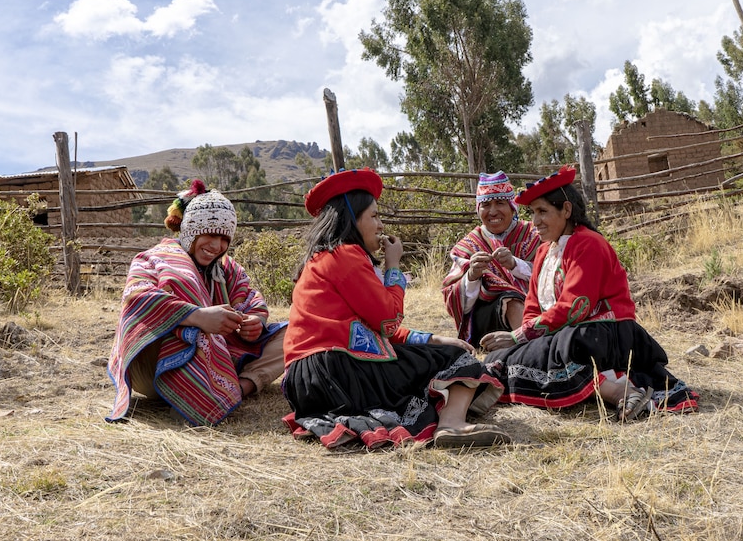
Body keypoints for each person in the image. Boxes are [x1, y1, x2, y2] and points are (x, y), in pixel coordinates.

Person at [282, 168, 510, 449]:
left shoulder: (324, 259)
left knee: (435, 355)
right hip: (338, 370)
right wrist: (393, 267)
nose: (380, 226)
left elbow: (373, 331)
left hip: (310, 380)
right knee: (458, 360)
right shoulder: (346, 255)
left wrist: (433, 339)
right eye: (374, 216)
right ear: (352, 219)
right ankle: (452, 423)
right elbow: (387, 321)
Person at [481, 166, 698, 421]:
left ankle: (620, 392)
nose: (535, 221)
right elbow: (533, 305)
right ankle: (609, 387)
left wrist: (519, 335)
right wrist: (524, 339)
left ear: (566, 210)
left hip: (603, 333)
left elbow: (575, 307)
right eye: (532, 213)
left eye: (542, 211)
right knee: (499, 358)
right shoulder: (543, 252)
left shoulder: (589, 244)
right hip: (564, 333)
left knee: (564, 346)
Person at [106, 180, 287, 426]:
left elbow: (250, 299)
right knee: (197, 331)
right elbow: (137, 297)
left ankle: (239, 388)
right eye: (210, 235)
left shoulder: (227, 270)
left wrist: (255, 321)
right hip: (154, 365)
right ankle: (196, 391)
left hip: (217, 360)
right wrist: (198, 316)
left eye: (224, 238)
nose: (217, 246)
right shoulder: (152, 259)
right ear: (191, 230)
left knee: (292, 336)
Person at [442, 171, 542, 347]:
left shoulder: (535, 235)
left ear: (512, 207)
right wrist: (472, 276)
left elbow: (551, 275)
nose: (493, 212)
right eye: (486, 205)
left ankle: (529, 344)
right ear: (478, 209)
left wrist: (515, 264)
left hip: (538, 313)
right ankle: (531, 347)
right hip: (490, 320)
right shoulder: (468, 247)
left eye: (500, 203)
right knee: (510, 300)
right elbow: (456, 304)